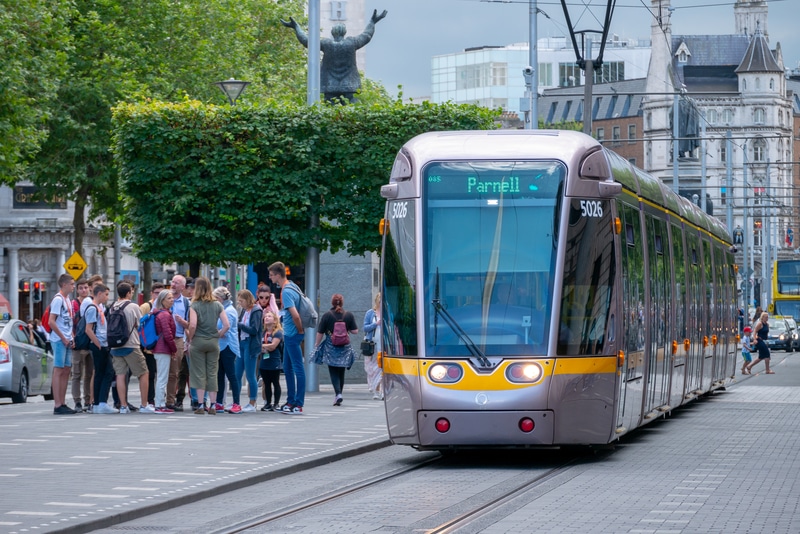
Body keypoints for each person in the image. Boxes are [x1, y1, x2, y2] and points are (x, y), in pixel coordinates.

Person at [281, 9, 388, 103]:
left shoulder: (326, 44)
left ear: (332, 33)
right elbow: (367, 36)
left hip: (330, 86)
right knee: (351, 107)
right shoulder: (351, 43)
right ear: (344, 32)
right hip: (349, 86)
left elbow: (306, 41)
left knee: (330, 109)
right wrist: (372, 22)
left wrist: (296, 27)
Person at [110, 282, 155, 413]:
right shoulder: (133, 306)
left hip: (115, 346)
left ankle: (123, 405)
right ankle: (144, 404)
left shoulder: (113, 306)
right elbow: (139, 325)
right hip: (131, 344)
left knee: (120, 375)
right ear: (128, 293)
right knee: (144, 373)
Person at [268, 262, 306, 415]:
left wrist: (299, 330)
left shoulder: (286, 291)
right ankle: (291, 401)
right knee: (289, 368)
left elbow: (295, 315)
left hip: (291, 334)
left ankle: (298, 403)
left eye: (271, 275)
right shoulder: (292, 286)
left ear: (278, 275)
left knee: (297, 368)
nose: (270, 277)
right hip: (290, 333)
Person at [186, 277, 228, 414]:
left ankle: (200, 405)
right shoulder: (217, 305)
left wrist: (190, 338)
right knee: (212, 373)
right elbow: (227, 324)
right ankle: (214, 405)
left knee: (199, 374)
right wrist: (219, 334)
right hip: (213, 342)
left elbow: (192, 325)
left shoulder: (194, 305)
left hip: (198, 341)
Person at [313, 293, 358, 406]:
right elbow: (355, 331)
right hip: (344, 347)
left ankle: (338, 394)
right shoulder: (348, 315)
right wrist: (345, 330)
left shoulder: (327, 315)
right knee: (341, 370)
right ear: (342, 303)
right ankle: (339, 394)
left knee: (333, 370)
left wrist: (316, 344)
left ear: (332, 303)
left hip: (331, 346)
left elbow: (320, 332)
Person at [85, 284, 116, 414]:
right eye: (106, 294)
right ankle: (101, 402)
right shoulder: (93, 308)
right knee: (107, 372)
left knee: (101, 373)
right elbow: (88, 329)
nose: (107, 297)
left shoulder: (100, 308)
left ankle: (98, 403)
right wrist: (98, 343)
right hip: (99, 344)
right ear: (99, 294)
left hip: (103, 343)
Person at [49, 273, 76, 415]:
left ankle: (63, 402)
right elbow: (51, 321)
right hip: (59, 340)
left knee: (66, 370)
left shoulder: (67, 299)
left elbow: (68, 321)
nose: (73, 287)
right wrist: (63, 337)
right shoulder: (58, 299)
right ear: (64, 284)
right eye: (71, 284)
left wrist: (71, 336)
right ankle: (57, 404)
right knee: (58, 370)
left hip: (67, 338)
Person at [213, 286, 241, 413]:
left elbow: (225, 329)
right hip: (222, 346)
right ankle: (219, 402)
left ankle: (237, 403)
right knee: (220, 375)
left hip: (228, 346)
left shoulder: (228, 311)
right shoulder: (223, 309)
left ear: (219, 298)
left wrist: (215, 334)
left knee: (231, 375)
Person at [151, 290, 177, 413]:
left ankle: (160, 403)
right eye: (169, 298)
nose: (172, 300)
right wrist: (174, 349)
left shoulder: (160, 313)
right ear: (162, 301)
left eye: (172, 298)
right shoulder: (165, 315)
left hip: (159, 348)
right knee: (162, 377)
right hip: (163, 349)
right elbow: (168, 334)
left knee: (161, 377)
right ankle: (159, 404)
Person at [70, 278, 93, 412]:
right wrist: (72, 338)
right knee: (77, 374)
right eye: (81, 288)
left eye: (85, 287)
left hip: (89, 344)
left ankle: (88, 400)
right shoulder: (74, 304)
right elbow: (70, 323)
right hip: (78, 344)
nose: (84, 290)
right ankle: (77, 401)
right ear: (77, 290)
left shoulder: (92, 302)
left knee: (89, 373)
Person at [237, 289, 262, 413]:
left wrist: (239, 325)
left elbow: (254, 329)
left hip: (251, 344)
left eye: (241, 301)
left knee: (250, 375)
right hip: (242, 343)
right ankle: (236, 402)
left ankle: (252, 402)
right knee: (237, 373)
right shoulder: (244, 310)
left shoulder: (256, 310)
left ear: (247, 300)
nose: (240, 303)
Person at [259, 311, 283, 411]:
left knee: (275, 382)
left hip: (274, 360)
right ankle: (268, 403)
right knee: (266, 383)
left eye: (269, 316)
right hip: (264, 360)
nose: (266, 318)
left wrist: (261, 346)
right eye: (265, 316)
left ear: (275, 320)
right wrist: (263, 347)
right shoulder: (263, 332)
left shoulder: (277, 333)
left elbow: (273, 346)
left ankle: (276, 403)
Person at [363, 292, 383, 400]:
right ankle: (374, 389)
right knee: (370, 368)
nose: (381, 303)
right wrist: (376, 324)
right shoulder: (370, 313)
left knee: (380, 368)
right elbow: (365, 328)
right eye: (380, 301)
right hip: (371, 344)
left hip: (382, 346)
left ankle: (381, 391)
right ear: (377, 301)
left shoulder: (387, 313)